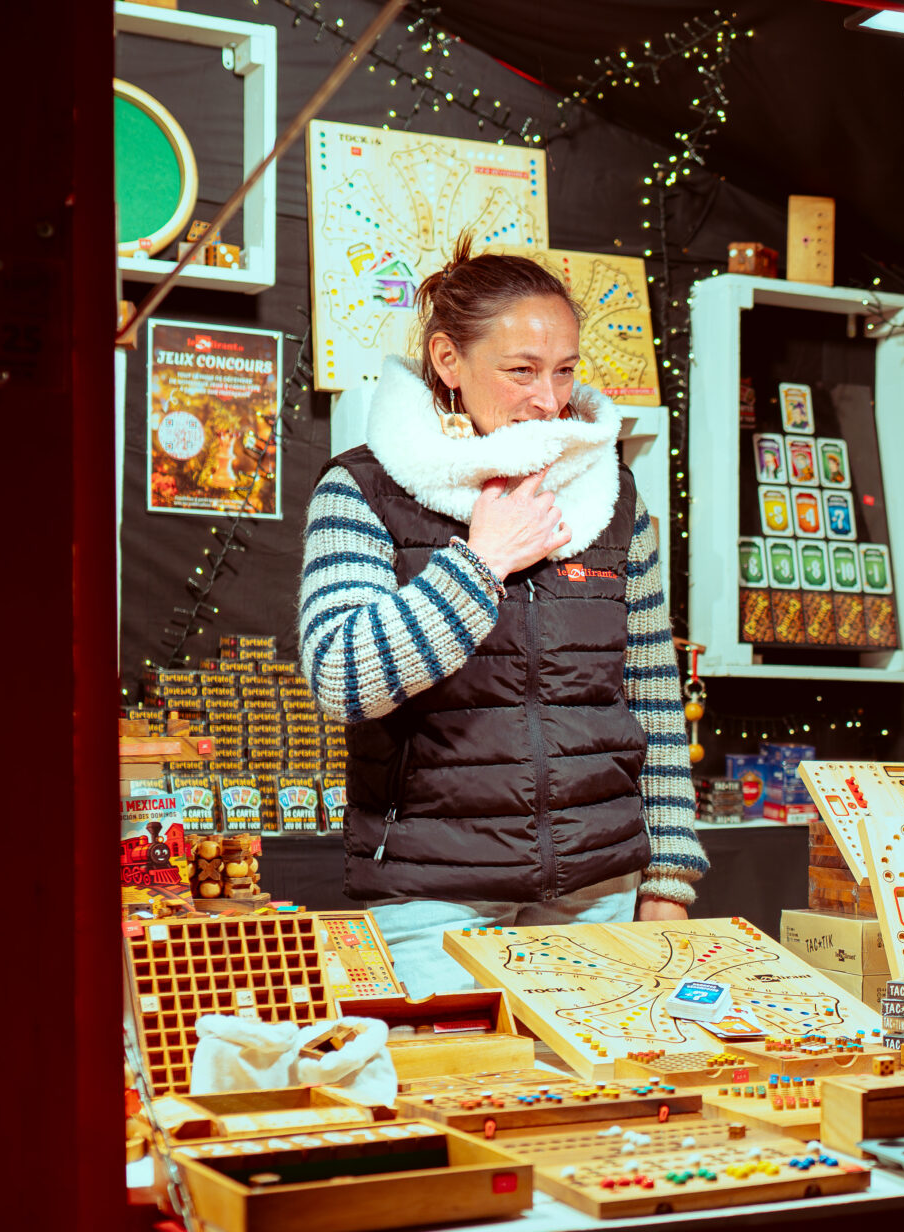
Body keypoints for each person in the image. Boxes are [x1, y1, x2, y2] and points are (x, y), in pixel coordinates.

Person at [298, 240, 706, 991]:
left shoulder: (608, 496)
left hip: (599, 894)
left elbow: (652, 696)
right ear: (449, 360)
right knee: (448, 1095)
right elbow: (340, 679)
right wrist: (480, 564)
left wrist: (668, 880)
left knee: (605, 1104)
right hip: (433, 902)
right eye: (521, 370)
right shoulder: (365, 488)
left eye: (565, 370)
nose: (549, 400)